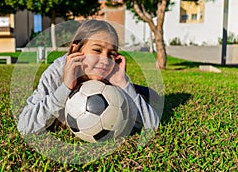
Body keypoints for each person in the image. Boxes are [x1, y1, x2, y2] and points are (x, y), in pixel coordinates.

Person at [18, 19, 159, 136]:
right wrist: (65, 87)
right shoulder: (56, 73)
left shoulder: (113, 71)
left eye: (111, 53)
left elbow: (152, 126)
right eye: (97, 50)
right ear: (75, 51)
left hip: (143, 93)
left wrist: (124, 85)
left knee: (153, 97)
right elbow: (24, 126)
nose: (105, 60)